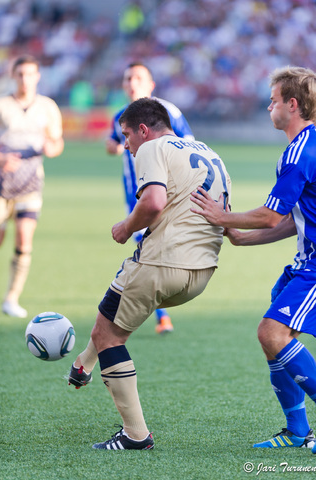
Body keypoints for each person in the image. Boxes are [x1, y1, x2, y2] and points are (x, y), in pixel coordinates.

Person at [68, 97, 231, 450]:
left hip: (163, 262)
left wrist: (127, 227)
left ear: (144, 129)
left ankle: (135, 435)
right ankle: (83, 363)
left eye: (126, 134)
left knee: (111, 337)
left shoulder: (152, 147)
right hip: (202, 270)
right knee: (109, 313)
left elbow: (154, 201)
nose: (125, 144)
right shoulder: (208, 150)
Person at [191, 66, 316, 451]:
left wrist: (221, 215)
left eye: (274, 100)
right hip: (304, 262)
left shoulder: (300, 152)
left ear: (292, 105)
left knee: (272, 333)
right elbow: (296, 219)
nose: (268, 107)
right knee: (273, 338)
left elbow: (272, 214)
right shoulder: (306, 145)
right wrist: (244, 239)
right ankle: (297, 431)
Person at [106, 62, 195, 334]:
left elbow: (189, 144)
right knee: (148, 250)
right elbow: (111, 145)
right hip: (136, 196)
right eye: (127, 78)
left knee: (153, 252)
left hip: (167, 192)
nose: (132, 82)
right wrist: (117, 143)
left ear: (151, 84)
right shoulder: (120, 116)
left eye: (138, 77)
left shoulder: (170, 112)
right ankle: (160, 314)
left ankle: (152, 310)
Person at [0, 55, 64, 318]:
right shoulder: (2, 105)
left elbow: (57, 143)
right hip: (0, 183)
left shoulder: (47, 107)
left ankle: (12, 298)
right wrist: (2, 159)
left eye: (30, 74)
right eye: (20, 74)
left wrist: (52, 147)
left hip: (30, 182)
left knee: (25, 239)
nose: (25, 79)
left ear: (38, 77)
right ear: (13, 76)